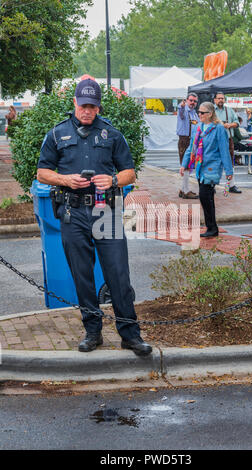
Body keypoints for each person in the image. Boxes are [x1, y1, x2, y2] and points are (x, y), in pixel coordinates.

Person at [37, 77, 152, 356]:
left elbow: (129, 172)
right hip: (72, 211)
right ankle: (93, 332)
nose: (87, 110)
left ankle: (130, 334)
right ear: (75, 102)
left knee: (118, 274)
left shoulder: (113, 135)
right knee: (82, 275)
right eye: (83, 105)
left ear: (98, 107)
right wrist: (65, 180)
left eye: (93, 106)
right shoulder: (56, 134)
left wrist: (112, 179)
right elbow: (42, 172)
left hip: (107, 211)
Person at [180, 102, 233, 238]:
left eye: (202, 113)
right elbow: (192, 147)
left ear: (210, 114)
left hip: (212, 167)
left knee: (204, 196)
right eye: (199, 112)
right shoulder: (198, 127)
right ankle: (212, 227)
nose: (199, 115)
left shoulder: (219, 129)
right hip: (200, 166)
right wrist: (184, 164)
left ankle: (212, 227)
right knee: (207, 197)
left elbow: (224, 150)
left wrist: (229, 171)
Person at [214, 91, 242, 193]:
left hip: (228, 140)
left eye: (222, 98)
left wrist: (230, 125)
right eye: (219, 98)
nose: (221, 100)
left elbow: (237, 122)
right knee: (214, 163)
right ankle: (212, 185)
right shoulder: (211, 110)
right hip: (215, 141)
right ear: (215, 100)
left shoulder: (229, 110)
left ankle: (231, 185)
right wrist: (220, 124)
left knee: (230, 162)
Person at [176, 93, 199, 199]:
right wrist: (181, 106)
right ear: (186, 100)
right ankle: (185, 191)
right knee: (185, 166)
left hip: (193, 140)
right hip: (184, 139)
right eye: (191, 100)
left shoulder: (195, 113)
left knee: (189, 166)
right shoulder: (183, 110)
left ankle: (183, 189)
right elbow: (180, 111)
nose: (193, 103)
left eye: (195, 101)